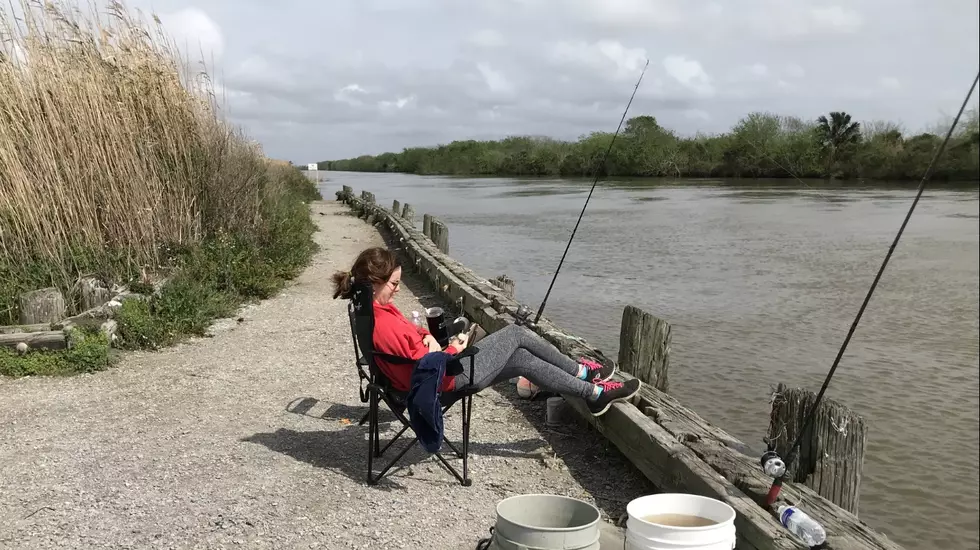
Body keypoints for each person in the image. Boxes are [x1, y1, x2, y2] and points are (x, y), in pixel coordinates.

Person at [332, 246, 641, 417]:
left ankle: (594, 393)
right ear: (373, 281)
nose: (397, 290)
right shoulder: (383, 322)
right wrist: (456, 345)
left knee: (522, 359)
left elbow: (408, 343)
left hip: (420, 376)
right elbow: (428, 362)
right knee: (516, 334)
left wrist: (424, 336)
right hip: (442, 380)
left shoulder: (372, 312)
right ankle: (584, 376)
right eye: (394, 284)